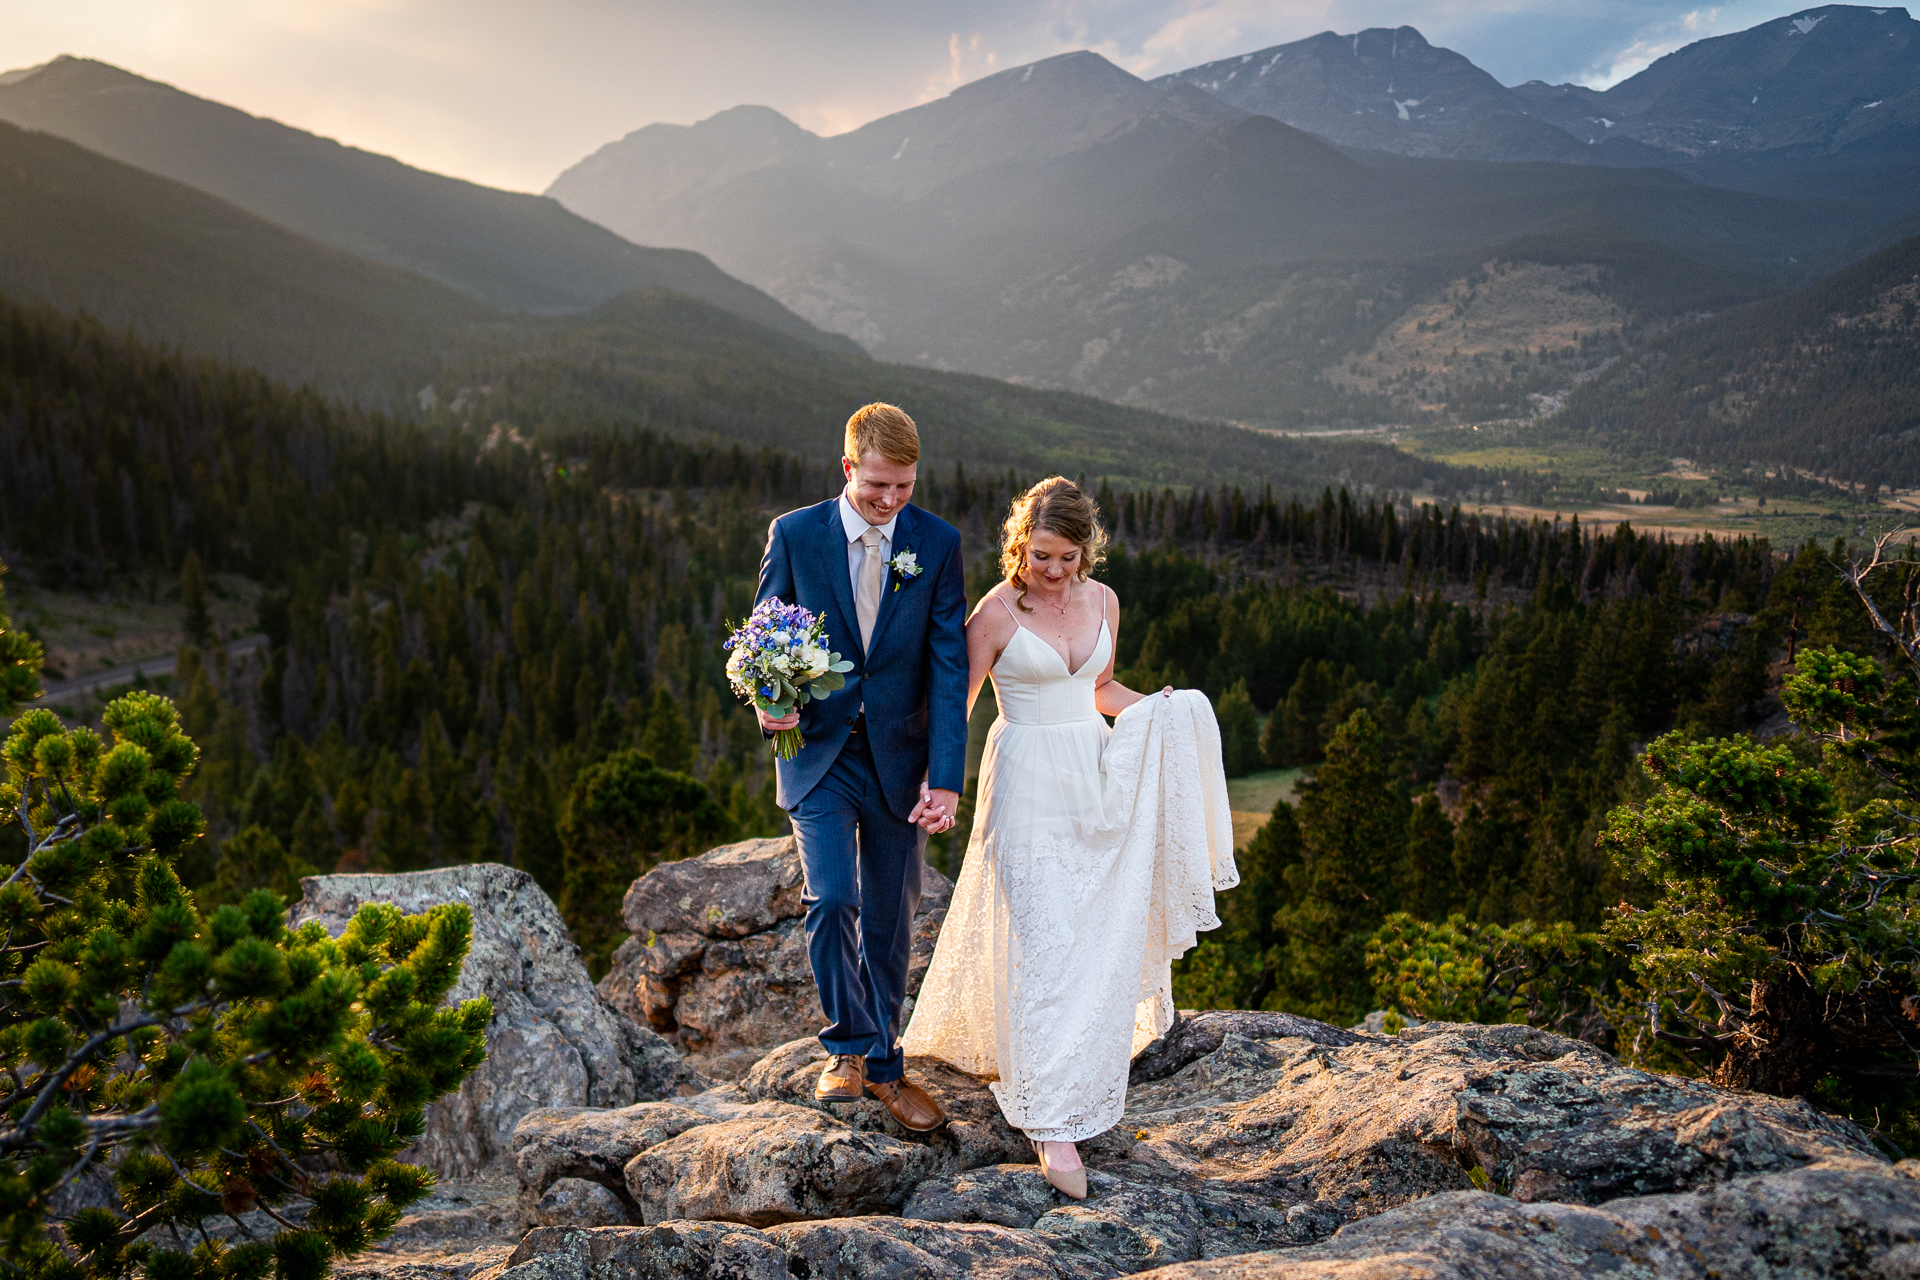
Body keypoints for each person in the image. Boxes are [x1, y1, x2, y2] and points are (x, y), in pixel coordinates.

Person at [903, 476, 1236, 1198]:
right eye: (1040, 556)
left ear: (1089, 551)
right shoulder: (994, 613)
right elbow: (954, 709)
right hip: (1025, 777)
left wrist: (1161, 710)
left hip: (1093, 771)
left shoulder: (1105, 601)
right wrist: (937, 786)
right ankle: (1053, 1124)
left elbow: (1099, 690)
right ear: (1019, 546)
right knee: (1043, 937)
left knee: (1085, 929)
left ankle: (1070, 1064)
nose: (1052, 572)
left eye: (1067, 558)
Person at [754, 403, 968, 1131]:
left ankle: (881, 1061)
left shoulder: (936, 544)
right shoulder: (795, 534)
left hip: (901, 759)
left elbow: (947, 667)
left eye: (904, 487)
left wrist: (944, 777)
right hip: (818, 752)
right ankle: (853, 1050)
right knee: (832, 900)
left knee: (890, 917)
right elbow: (762, 638)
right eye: (878, 485)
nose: (890, 500)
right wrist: (767, 703)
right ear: (849, 468)